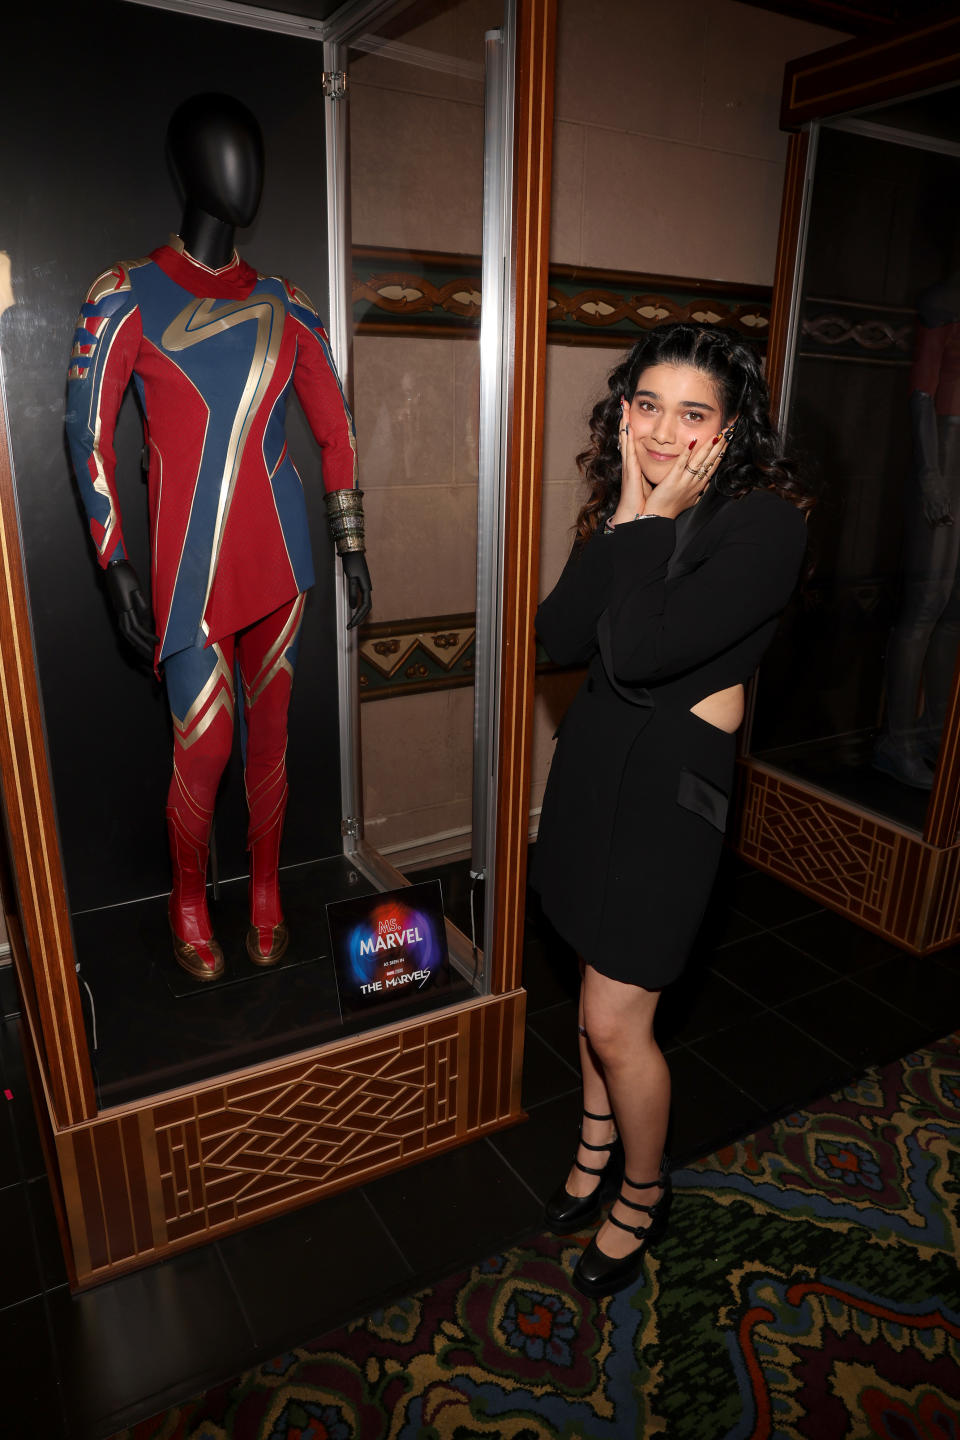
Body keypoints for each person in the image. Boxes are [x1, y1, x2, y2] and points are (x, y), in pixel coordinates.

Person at [531, 322, 810, 1299]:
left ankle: (643, 1194)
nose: (661, 431)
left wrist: (649, 523)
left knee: (618, 1018)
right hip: (596, 764)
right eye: (646, 405)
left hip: (669, 792)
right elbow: (558, 639)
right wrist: (627, 517)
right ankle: (593, 1142)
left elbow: (644, 652)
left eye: (693, 414)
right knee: (587, 971)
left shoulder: (765, 525)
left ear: (731, 431)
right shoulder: (635, 505)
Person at [65, 94, 371, 981]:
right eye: (224, 152)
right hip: (188, 578)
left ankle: (267, 890)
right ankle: (188, 896)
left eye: (253, 151)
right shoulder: (124, 293)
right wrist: (112, 559)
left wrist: (350, 539)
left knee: (272, 740)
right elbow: (83, 434)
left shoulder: (289, 302)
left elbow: (336, 428)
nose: (247, 169)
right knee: (201, 746)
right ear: (186, 168)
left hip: (280, 565)